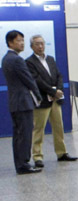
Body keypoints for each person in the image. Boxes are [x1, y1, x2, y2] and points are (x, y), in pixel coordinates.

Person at [25, 35, 78, 167]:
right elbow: (37, 80)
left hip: (55, 100)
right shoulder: (29, 62)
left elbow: (58, 75)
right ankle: (37, 157)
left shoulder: (50, 59)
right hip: (42, 100)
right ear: (32, 46)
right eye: (37, 44)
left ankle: (61, 153)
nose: (40, 46)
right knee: (39, 129)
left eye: (42, 43)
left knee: (58, 127)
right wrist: (53, 92)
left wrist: (59, 90)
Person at [2, 30, 43, 174]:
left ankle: (20, 164)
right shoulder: (17, 60)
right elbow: (29, 80)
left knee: (19, 135)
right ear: (10, 42)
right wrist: (39, 96)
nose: (22, 43)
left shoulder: (6, 58)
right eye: (18, 40)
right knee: (24, 134)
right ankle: (23, 164)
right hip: (23, 102)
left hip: (15, 102)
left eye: (23, 40)